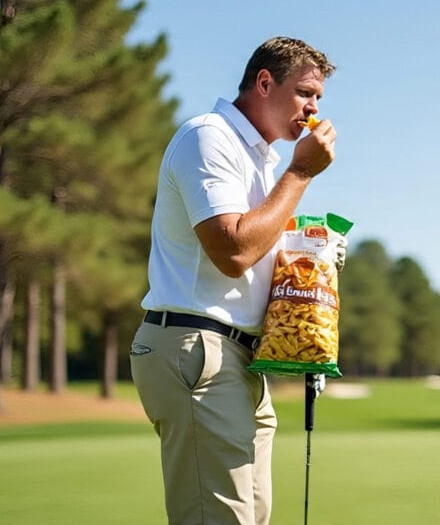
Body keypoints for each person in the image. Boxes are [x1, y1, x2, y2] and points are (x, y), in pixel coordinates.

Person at [130, 36, 337, 525]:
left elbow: (261, 260)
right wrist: (302, 172)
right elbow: (234, 250)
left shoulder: (264, 160)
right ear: (265, 82)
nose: (313, 109)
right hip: (196, 349)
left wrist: (315, 272)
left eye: (320, 99)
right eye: (306, 92)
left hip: (245, 361)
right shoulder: (209, 137)